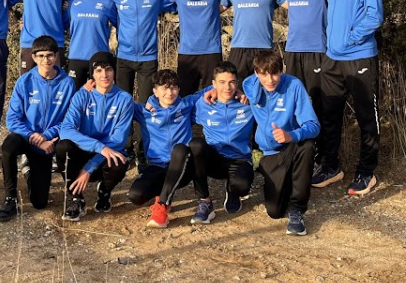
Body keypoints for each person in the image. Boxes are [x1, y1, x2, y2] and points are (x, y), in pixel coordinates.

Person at [311, 0, 384, 197]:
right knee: (329, 116)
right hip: (332, 59)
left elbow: (375, 15)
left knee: (366, 117)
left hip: (359, 56)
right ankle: (331, 167)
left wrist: (351, 38)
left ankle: (366, 172)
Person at [0, 35, 76, 221]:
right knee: (8, 146)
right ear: (33, 57)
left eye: (50, 55)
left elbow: (69, 120)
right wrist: (32, 135)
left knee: (39, 203)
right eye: (40, 56)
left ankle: (28, 171)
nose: (45, 60)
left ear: (56, 56)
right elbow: (12, 119)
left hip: (48, 142)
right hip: (26, 137)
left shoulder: (67, 83)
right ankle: (10, 198)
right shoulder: (25, 81)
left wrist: (47, 136)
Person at [241, 50, 319, 235]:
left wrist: (291, 135)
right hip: (269, 153)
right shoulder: (248, 85)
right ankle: (285, 180)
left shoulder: (294, 85)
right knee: (274, 211)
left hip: (291, 145)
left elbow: (313, 125)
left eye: (275, 73)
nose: (270, 80)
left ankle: (297, 210)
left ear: (282, 70)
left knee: (307, 146)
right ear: (256, 73)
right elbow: (224, 88)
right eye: (264, 74)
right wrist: (211, 92)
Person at [110, 0, 175, 164]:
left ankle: (143, 152)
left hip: (148, 59)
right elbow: (104, 14)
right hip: (124, 58)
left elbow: (178, 3)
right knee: (123, 104)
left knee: (147, 106)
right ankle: (126, 147)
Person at [56, 51, 134, 221]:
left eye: (108, 69)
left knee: (120, 160)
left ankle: (104, 192)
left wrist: (89, 168)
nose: (104, 75)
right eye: (98, 70)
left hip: (105, 157)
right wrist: (99, 147)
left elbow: (118, 140)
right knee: (63, 147)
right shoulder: (82, 95)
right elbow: (66, 129)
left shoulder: (124, 99)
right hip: (86, 150)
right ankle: (76, 199)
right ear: (92, 74)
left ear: (114, 71)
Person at [127, 69, 198, 229]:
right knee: (135, 195)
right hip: (157, 165)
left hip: (182, 167)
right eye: (164, 88)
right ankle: (163, 195)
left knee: (180, 149)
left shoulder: (186, 104)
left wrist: (238, 93)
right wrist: (90, 88)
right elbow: (120, 100)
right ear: (155, 91)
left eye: (173, 88)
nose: (170, 93)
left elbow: (215, 87)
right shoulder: (144, 111)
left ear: (179, 89)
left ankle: (162, 205)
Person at [189, 61, 255, 224]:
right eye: (222, 82)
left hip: (239, 159)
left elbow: (265, 87)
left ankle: (233, 191)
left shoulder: (248, 103)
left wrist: (244, 92)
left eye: (232, 82)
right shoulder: (203, 103)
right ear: (214, 84)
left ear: (237, 83)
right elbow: (177, 104)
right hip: (215, 159)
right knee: (196, 145)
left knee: (242, 186)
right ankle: (204, 202)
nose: (227, 87)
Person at [164, 0, 227, 96]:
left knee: (213, 96)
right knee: (184, 96)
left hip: (211, 51)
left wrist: (217, 10)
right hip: (187, 52)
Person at [220, 0, 286, 84]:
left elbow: (296, 6)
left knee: (266, 87)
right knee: (236, 88)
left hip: (264, 48)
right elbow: (212, 11)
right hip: (239, 48)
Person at [278, 0, 327, 126]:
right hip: (293, 50)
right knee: (293, 98)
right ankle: (297, 138)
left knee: (318, 99)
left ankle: (318, 140)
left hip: (317, 50)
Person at [66, 0, 118, 88]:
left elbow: (122, 26)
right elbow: (58, 23)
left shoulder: (107, 3)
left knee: (99, 96)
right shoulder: (72, 4)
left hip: (99, 57)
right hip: (76, 57)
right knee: (74, 96)